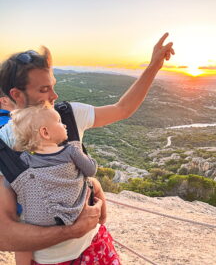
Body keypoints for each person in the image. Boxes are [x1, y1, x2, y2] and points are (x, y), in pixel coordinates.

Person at [0, 33, 174, 255]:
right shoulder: (5, 146)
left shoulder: (68, 114)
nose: (55, 95)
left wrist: (153, 67)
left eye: (53, 85)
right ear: (17, 95)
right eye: (44, 90)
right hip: (48, 259)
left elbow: (122, 109)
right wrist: (73, 230)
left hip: (96, 246)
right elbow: (4, 235)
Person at [8, 104, 119, 265]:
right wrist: (81, 152)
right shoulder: (70, 150)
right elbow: (90, 170)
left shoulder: (25, 159)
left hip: (41, 221)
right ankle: (102, 218)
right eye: (60, 122)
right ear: (45, 132)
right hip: (75, 212)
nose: (65, 125)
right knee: (93, 184)